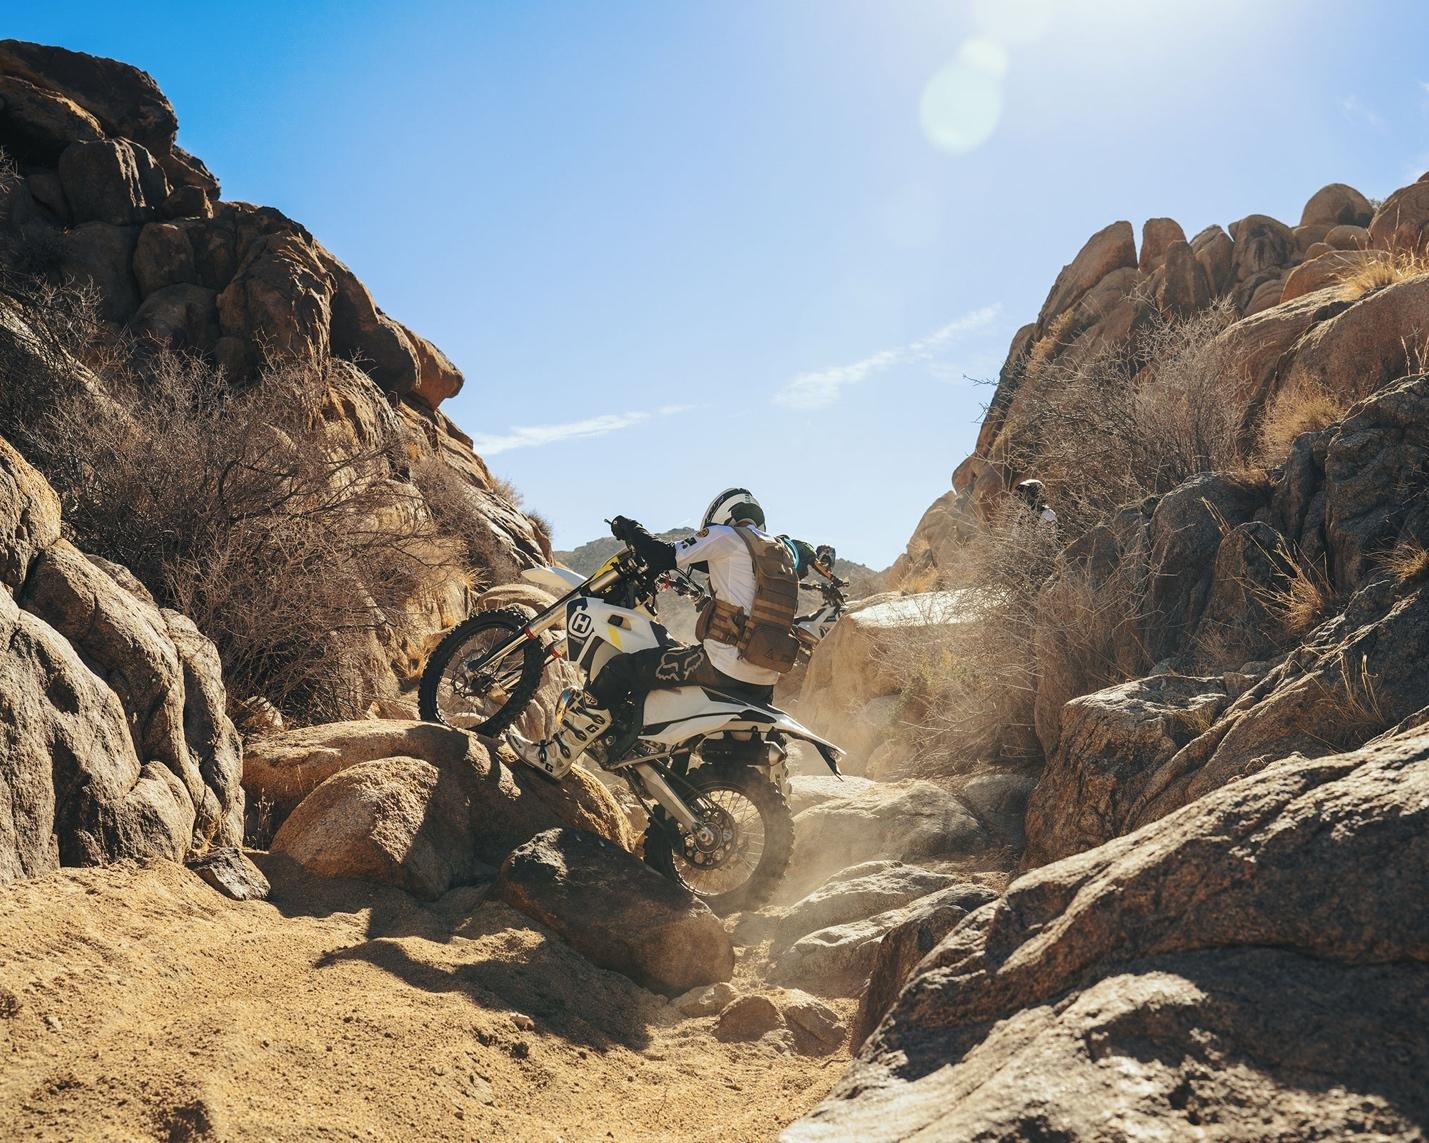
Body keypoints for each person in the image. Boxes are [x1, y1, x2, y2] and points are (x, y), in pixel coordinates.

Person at [505, 487, 803, 778]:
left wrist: (630, 528)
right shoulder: (780, 556)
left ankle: (555, 757)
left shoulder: (725, 537)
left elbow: (662, 555)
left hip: (721, 668)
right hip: (764, 681)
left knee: (621, 669)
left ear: (722, 515)